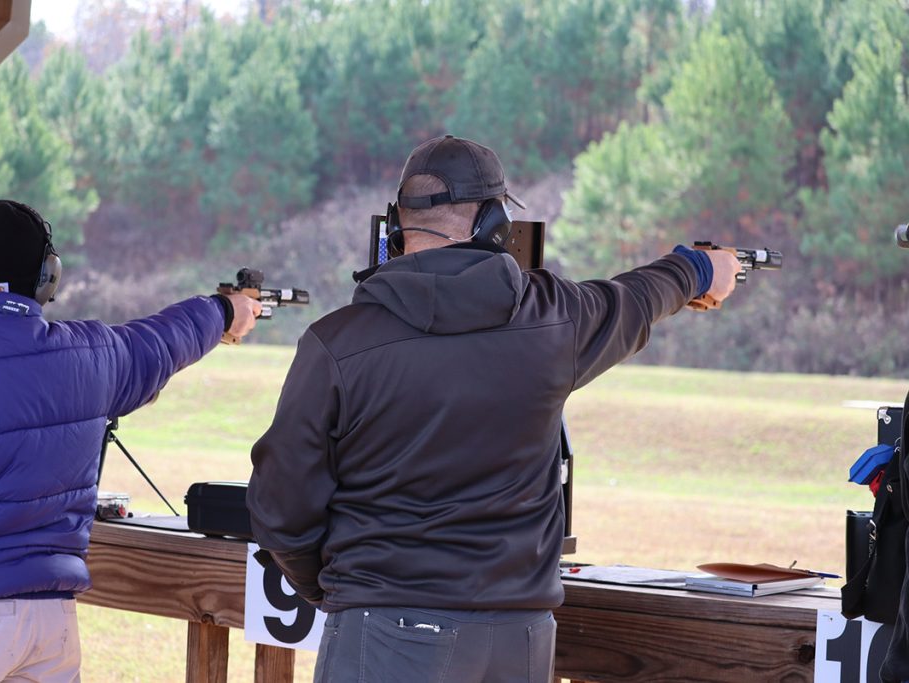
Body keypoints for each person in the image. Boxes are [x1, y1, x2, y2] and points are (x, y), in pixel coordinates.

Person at [246, 134, 742, 682]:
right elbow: (640, 296)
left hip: (385, 629)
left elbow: (280, 506)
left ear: (396, 223)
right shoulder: (556, 320)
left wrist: (341, 587)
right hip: (519, 637)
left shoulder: (336, 344)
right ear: (495, 222)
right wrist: (698, 269)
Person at [0, 199, 261, 683]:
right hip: (50, 626)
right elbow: (166, 340)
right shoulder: (94, 355)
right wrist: (223, 310)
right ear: (48, 277)